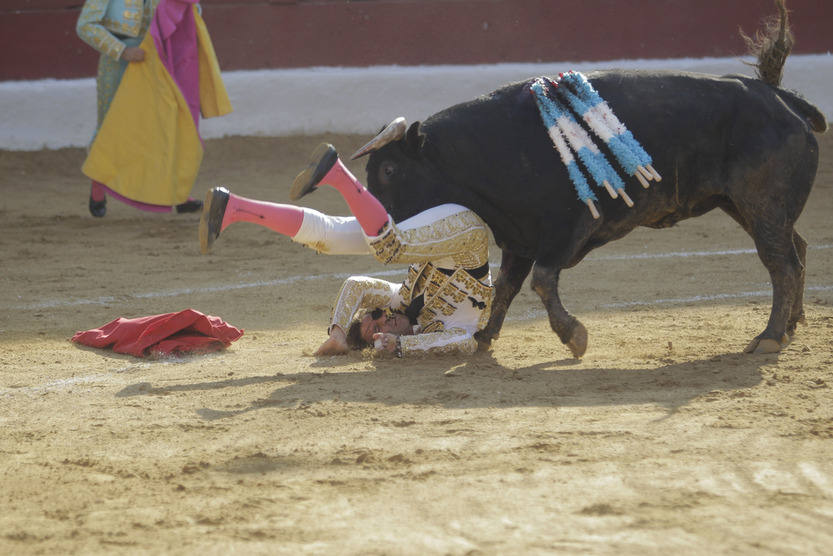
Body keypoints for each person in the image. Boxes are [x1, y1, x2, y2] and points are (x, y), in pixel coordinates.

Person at [200, 143, 494, 357]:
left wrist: (338, 332)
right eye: (378, 326)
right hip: (463, 234)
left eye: (375, 316)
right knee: (342, 240)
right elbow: (464, 342)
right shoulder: (444, 328)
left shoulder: (398, 300)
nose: (383, 319)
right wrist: (403, 345)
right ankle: (234, 209)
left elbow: (357, 285)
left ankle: (333, 174)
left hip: (433, 226)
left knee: (344, 237)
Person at [76, 0, 231, 217]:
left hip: (158, 59)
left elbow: (190, 13)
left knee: (168, 125)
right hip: (118, 63)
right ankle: (98, 187)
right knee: (110, 127)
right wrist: (122, 50)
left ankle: (178, 193)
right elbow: (85, 26)